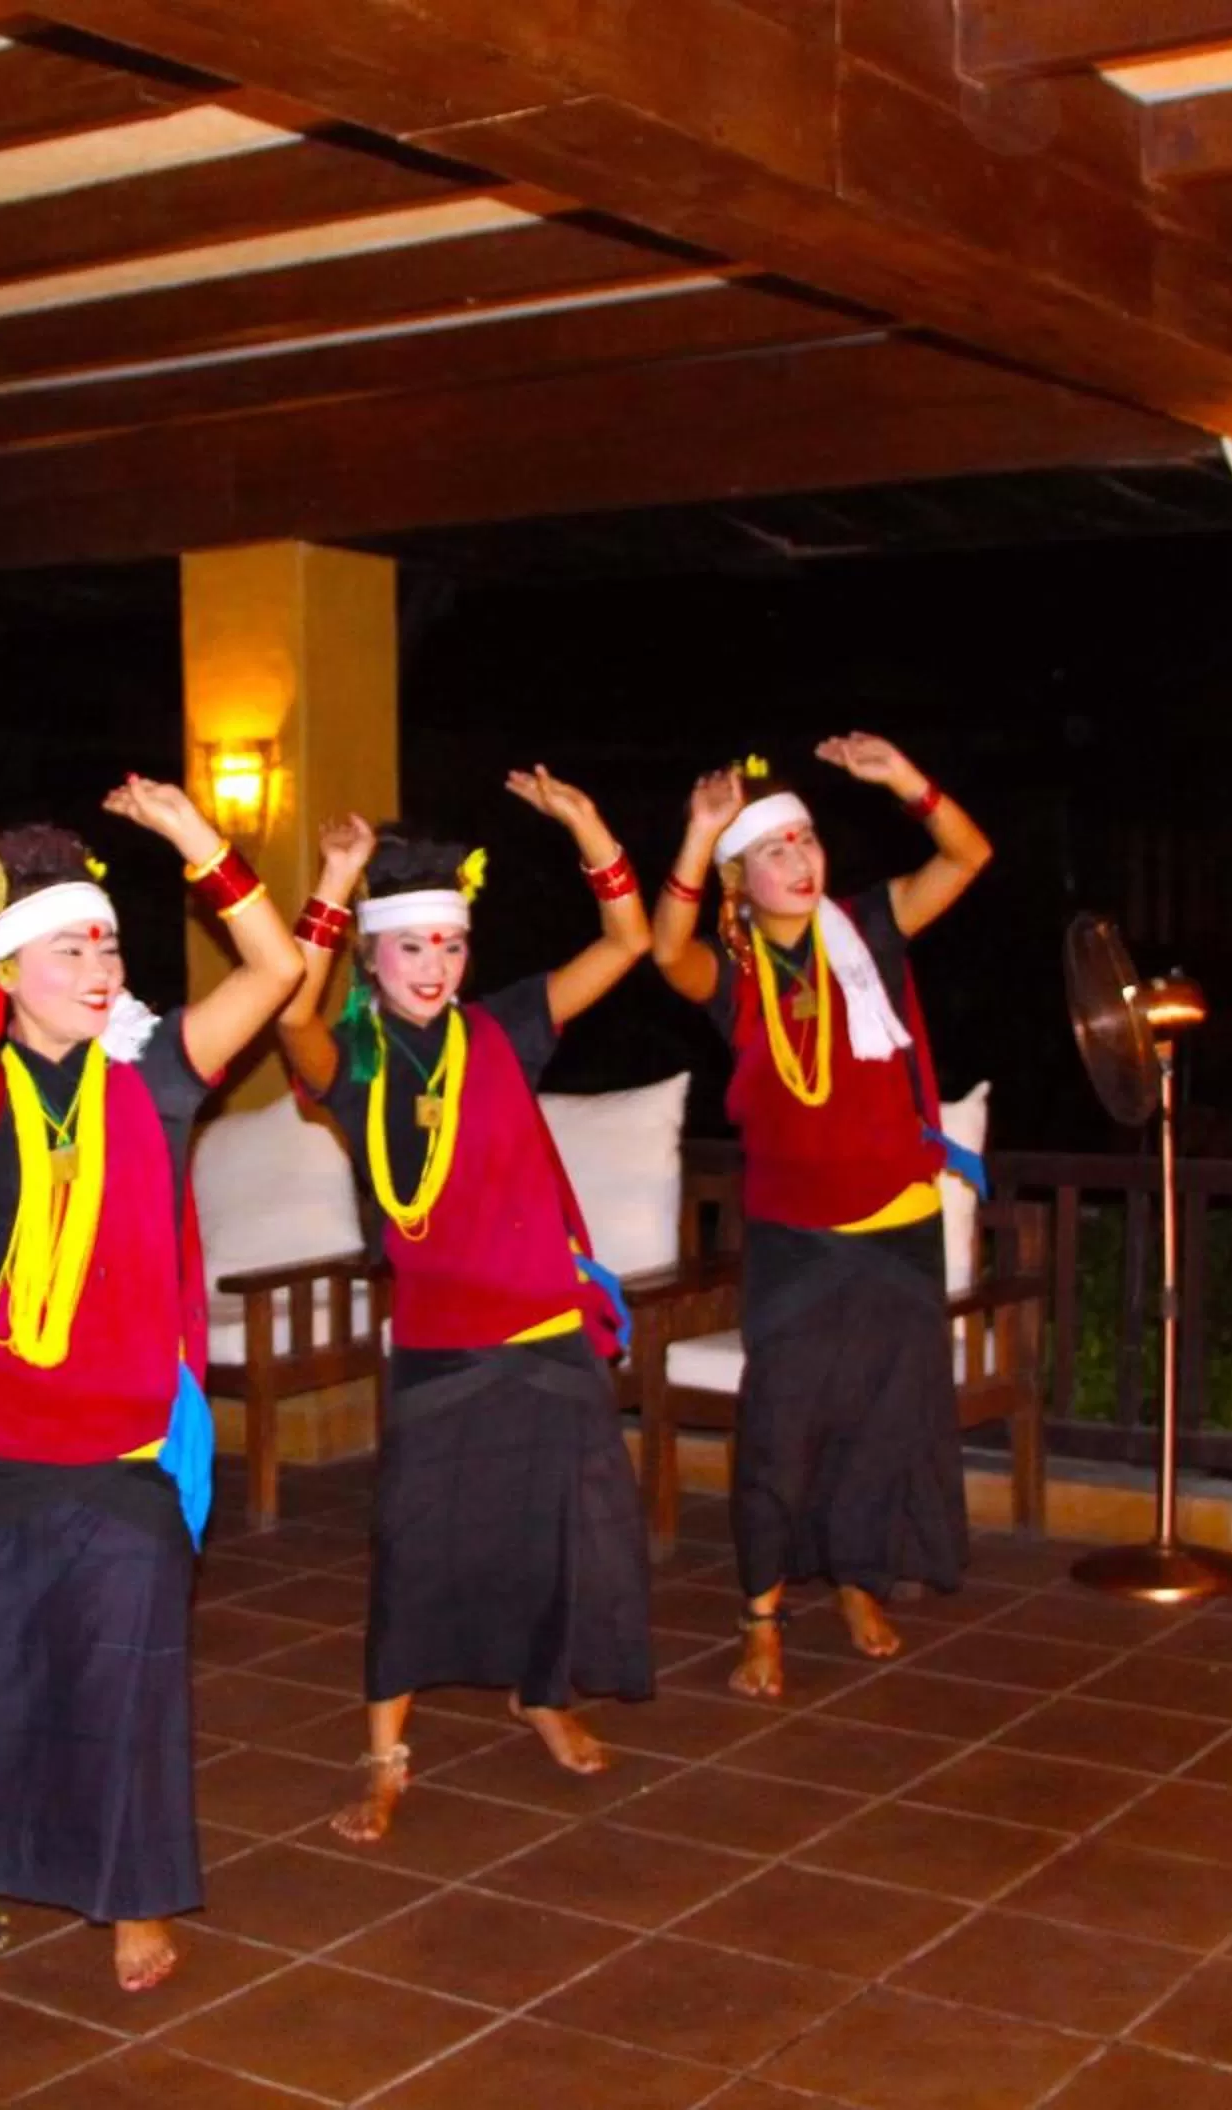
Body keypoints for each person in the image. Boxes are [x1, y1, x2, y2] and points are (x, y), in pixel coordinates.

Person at [0, 778, 300, 2012]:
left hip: (124, 1448)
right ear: (11, 966)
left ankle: (132, 1893)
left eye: (108, 942)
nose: (98, 962)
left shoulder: (161, 1076)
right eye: (69, 945)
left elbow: (274, 967)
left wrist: (200, 842)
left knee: (124, 1683)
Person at [274, 772, 657, 1842]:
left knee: (549, 1538)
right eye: (411, 947)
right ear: (374, 954)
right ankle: (387, 1757)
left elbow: (625, 944)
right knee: (415, 1552)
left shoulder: (505, 1029)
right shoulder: (350, 1062)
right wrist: (337, 882)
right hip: (442, 1351)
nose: (435, 967)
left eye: (449, 946)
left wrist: (588, 825)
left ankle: (543, 1696)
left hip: (544, 1330)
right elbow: (290, 1009)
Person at [646, 737, 992, 1699]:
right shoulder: (733, 973)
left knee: (884, 1421)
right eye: (774, 851)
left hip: (900, 1225)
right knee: (783, 1426)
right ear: (739, 881)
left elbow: (967, 858)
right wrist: (700, 832)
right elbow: (662, 950)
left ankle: (857, 1580)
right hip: (797, 1240)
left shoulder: (869, 927)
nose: (800, 862)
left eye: (805, 841)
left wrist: (907, 784)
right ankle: (761, 1614)